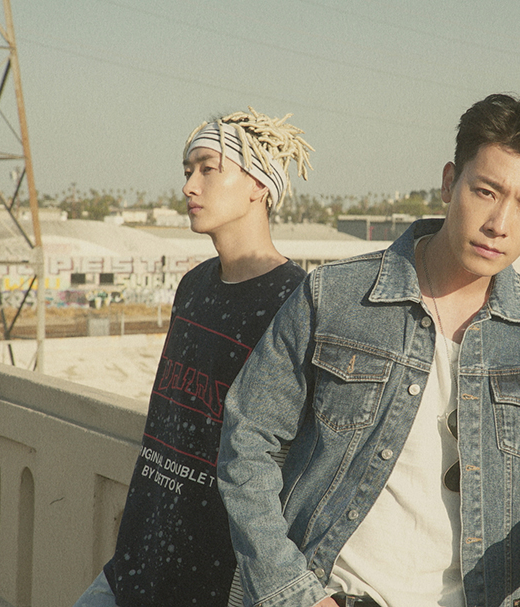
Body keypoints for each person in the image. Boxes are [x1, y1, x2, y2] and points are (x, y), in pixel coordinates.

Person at [217, 92, 520, 607]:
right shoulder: (335, 296)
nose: (500, 224)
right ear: (450, 182)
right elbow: (247, 442)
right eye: (486, 192)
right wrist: (291, 591)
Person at [73, 107, 313, 607]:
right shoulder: (193, 285)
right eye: (188, 170)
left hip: (212, 579)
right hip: (135, 562)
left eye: (208, 169)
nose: (189, 186)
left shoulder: (297, 303)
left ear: (259, 185)